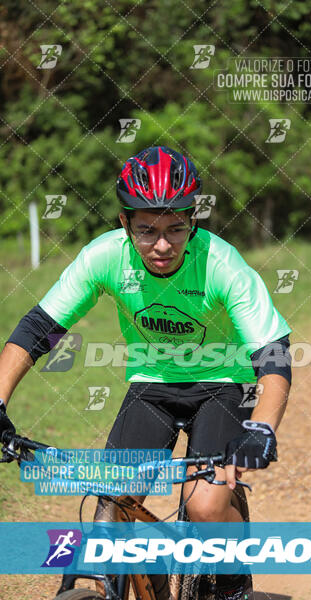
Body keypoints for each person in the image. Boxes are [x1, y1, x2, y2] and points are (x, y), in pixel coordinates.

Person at [0, 146, 292, 600]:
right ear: (124, 222)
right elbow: (38, 329)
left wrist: (263, 428)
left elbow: (273, 354)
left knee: (205, 505)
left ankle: (233, 585)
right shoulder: (105, 257)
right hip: (151, 385)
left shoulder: (221, 263)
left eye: (176, 229)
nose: (161, 245)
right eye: (147, 230)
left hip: (223, 383)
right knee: (115, 497)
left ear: (193, 219)